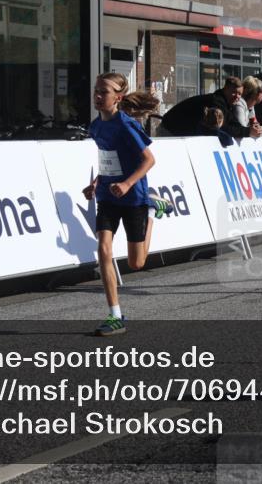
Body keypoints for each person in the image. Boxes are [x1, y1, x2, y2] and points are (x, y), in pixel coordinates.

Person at [82, 72, 168, 336]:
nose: (97, 96)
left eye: (103, 92)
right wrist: (96, 184)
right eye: (96, 91)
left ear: (117, 97)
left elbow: (149, 160)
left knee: (136, 263)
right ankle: (115, 315)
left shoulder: (126, 125)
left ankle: (153, 210)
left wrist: (128, 184)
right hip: (108, 198)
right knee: (104, 249)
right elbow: (108, 160)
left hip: (133, 198)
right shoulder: (96, 126)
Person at [159, 77, 259, 139]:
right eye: (234, 92)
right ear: (226, 89)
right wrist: (248, 131)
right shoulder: (216, 102)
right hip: (170, 129)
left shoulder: (225, 104)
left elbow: (232, 122)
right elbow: (223, 127)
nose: (237, 97)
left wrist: (248, 130)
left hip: (176, 130)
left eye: (239, 94)